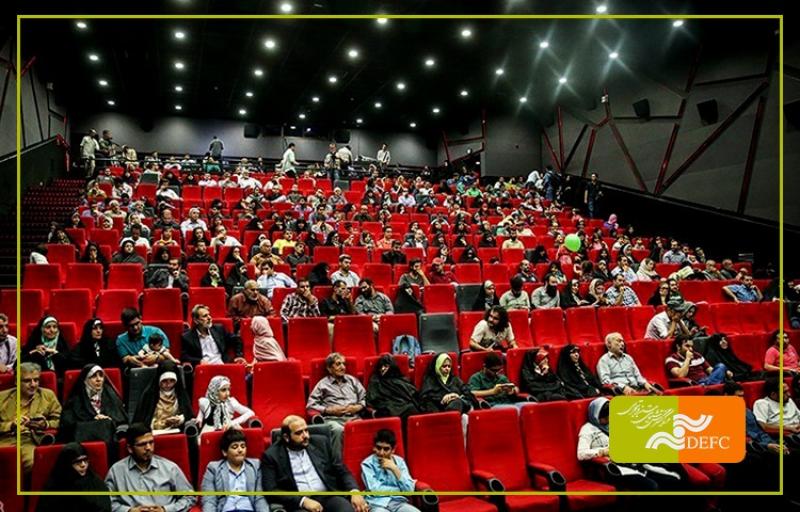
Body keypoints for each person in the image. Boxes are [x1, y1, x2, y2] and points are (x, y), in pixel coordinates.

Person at [261, 414, 368, 512]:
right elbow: (271, 490)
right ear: (286, 437)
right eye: (299, 433)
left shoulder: (321, 443)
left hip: (327, 495)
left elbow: (341, 470)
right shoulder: (271, 455)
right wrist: (302, 501)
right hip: (299, 503)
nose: (306, 436)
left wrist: (354, 491)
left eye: (306, 430)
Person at [577, 397, 682, 491]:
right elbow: (581, 454)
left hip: (635, 463)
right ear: (595, 416)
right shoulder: (588, 430)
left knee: (672, 480)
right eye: (605, 418)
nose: (608, 420)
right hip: (615, 469)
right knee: (652, 486)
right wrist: (603, 451)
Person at [106, 423, 196, 512]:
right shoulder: (116, 471)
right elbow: (107, 502)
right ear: (130, 448)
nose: (148, 448)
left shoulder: (170, 468)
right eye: (142, 444)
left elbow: (189, 497)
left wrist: (165, 510)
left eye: (151, 442)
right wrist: (128, 510)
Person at [0, 362, 61, 472]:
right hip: (5, 439)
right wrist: (11, 425)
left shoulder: (47, 395)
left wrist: (45, 424)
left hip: (29, 440)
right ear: (16, 382)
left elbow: (61, 420)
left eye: (36, 380)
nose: (33, 385)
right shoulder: (2, 398)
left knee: (36, 463)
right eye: (27, 381)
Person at [307, 353, 366, 454]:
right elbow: (311, 405)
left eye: (344, 364)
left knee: (362, 427)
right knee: (338, 430)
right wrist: (328, 410)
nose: (343, 367)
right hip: (333, 419)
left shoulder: (352, 380)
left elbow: (365, 397)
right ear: (329, 369)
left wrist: (358, 407)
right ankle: (338, 461)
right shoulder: (322, 384)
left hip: (354, 417)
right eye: (338, 364)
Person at [201, 428, 270, 512]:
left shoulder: (255, 466)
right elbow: (209, 500)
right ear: (224, 452)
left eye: (243, 446)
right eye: (235, 447)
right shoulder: (213, 469)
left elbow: (260, 498)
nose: (240, 450)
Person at [59, 365, 128, 444]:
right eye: (94, 376)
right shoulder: (75, 399)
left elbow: (122, 419)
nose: (99, 379)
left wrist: (109, 419)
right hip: (83, 440)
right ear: (85, 380)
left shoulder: (111, 395)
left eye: (101, 376)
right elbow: (68, 424)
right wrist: (93, 419)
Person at [36, 442, 111, 512]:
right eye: (78, 462)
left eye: (85, 460)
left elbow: (104, 507)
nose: (83, 465)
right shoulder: (54, 487)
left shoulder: (95, 482)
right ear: (67, 464)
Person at [360, 429, 422, 512]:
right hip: (377, 503)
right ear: (374, 447)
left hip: (398, 503)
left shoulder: (400, 462)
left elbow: (409, 490)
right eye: (378, 448)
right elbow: (375, 491)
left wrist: (395, 469)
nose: (381, 453)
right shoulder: (367, 464)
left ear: (393, 450)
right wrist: (399, 490)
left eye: (386, 449)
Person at [133, 361, 196, 435]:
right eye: (164, 381)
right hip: (153, 430)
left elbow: (188, 415)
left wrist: (180, 419)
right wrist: (162, 423)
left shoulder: (180, 393)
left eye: (172, 381)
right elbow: (143, 419)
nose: (168, 384)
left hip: (176, 430)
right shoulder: (150, 394)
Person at [596, 332, 662, 395]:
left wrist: (645, 383)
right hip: (621, 392)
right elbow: (605, 381)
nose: (622, 344)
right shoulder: (604, 360)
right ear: (609, 344)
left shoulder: (628, 358)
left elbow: (638, 376)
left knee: (658, 395)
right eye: (619, 341)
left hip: (637, 389)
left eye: (623, 341)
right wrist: (622, 387)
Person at [366, 354, 425, 422]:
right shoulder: (376, 380)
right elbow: (373, 398)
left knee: (413, 409)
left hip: (405, 405)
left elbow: (411, 393)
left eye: (386, 366)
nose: (382, 369)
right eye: (381, 367)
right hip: (388, 407)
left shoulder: (400, 379)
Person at [665, 335, 731, 386]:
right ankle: (712, 385)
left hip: (707, 379)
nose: (691, 349)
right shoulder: (672, 359)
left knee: (721, 366)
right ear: (678, 346)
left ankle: (710, 385)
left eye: (691, 346)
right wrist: (687, 359)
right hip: (695, 383)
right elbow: (680, 375)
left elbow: (710, 370)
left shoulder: (697, 355)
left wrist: (723, 372)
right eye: (687, 346)